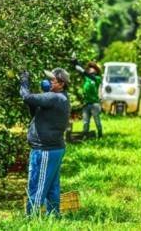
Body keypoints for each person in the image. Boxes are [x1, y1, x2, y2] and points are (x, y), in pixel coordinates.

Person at [20, 68, 70, 216]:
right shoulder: (59, 98)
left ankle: (31, 219)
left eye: (52, 80)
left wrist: (24, 81)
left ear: (61, 84)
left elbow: (26, 97)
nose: (48, 82)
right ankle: (54, 216)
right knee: (52, 187)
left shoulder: (55, 98)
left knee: (37, 187)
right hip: (53, 149)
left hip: (46, 150)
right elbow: (35, 112)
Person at [71, 58, 103, 139]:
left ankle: (100, 135)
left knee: (97, 121)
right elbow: (83, 71)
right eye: (90, 69)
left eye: (93, 69)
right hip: (86, 103)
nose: (91, 70)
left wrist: (83, 71)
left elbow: (85, 73)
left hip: (95, 104)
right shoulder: (87, 78)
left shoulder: (98, 79)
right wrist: (76, 62)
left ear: (96, 71)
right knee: (85, 122)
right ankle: (85, 136)